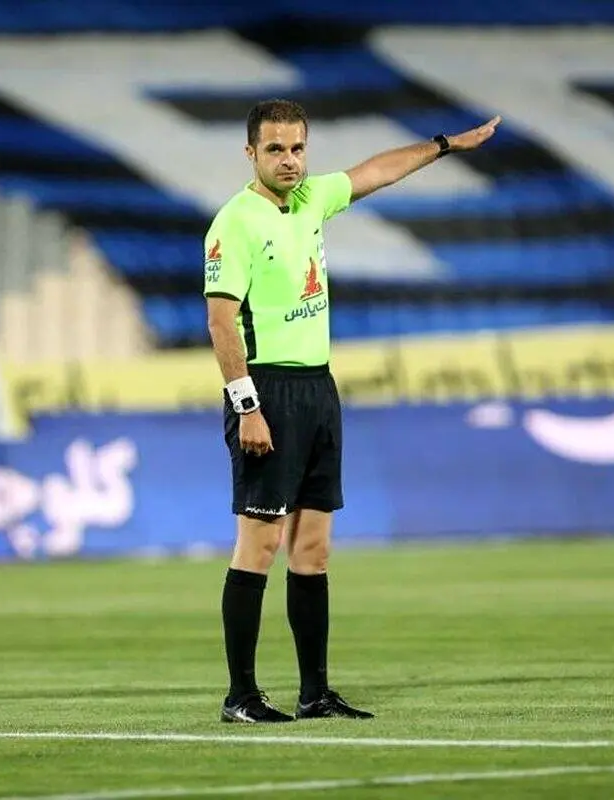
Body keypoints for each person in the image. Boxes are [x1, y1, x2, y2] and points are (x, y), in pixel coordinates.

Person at [203, 98, 501, 723]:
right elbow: (221, 322)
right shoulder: (234, 222)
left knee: (312, 549)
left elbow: (377, 171)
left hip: (318, 388)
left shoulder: (313, 198)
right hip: (267, 391)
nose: (289, 160)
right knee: (258, 544)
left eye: (297, 148)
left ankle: (314, 693)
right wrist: (247, 406)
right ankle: (241, 696)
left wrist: (444, 145)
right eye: (276, 149)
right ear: (250, 153)